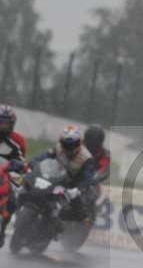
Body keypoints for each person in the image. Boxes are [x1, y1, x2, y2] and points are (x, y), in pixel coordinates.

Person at [30, 125, 96, 221]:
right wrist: (32, 164)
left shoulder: (86, 158)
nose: (69, 148)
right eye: (66, 144)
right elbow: (41, 157)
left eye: (73, 144)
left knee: (79, 206)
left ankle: (81, 219)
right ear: (61, 142)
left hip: (72, 185)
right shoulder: (57, 148)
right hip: (54, 178)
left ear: (79, 143)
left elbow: (87, 178)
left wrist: (78, 189)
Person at [0, 105, 27, 246]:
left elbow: (22, 162)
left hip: (5, 173)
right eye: (1, 122)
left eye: (6, 123)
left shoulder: (17, 142)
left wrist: (21, 167)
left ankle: (3, 226)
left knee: (15, 196)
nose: (3, 127)